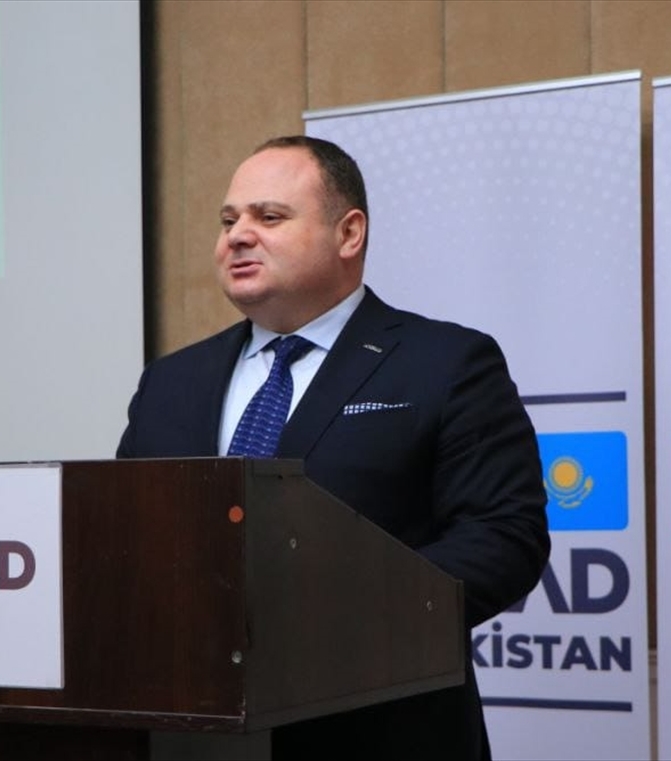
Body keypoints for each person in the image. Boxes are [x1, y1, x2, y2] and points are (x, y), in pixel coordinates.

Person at [117, 135, 549, 760]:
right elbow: (123, 541)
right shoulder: (170, 382)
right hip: (192, 732)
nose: (237, 236)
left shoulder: (444, 363)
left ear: (349, 234)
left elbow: (503, 537)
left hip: (379, 731)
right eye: (228, 221)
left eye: (269, 217)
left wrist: (332, 619)